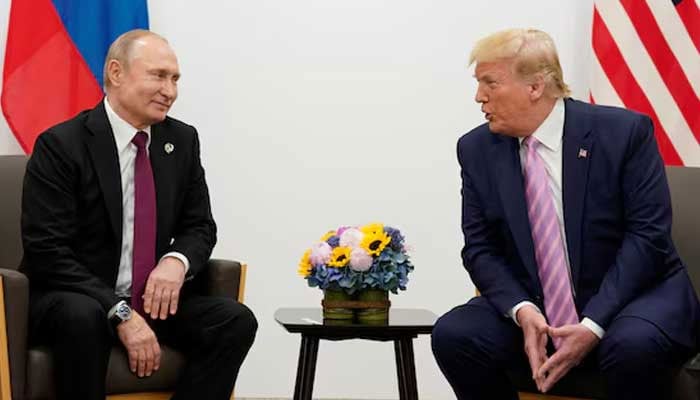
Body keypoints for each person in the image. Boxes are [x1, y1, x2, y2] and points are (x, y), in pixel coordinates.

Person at [431, 28, 700, 400]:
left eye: (490, 83)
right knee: (454, 336)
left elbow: (647, 238)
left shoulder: (623, 133)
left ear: (536, 87)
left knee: (633, 347)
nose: (479, 97)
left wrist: (592, 325)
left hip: (633, 297)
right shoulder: (477, 149)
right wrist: (522, 310)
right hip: (536, 304)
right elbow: (480, 248)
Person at [21, 29, 257, 400]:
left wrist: (176, 262)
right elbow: (47, 251)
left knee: (234, 321)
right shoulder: (61, 145)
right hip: (77, 297)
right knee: (83, 315)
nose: (170, 90)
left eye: (175, 78)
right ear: (116, 73)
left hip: (150, 299)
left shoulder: (181, 141)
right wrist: (119, 311)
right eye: (158, 75)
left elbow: (200, 225)